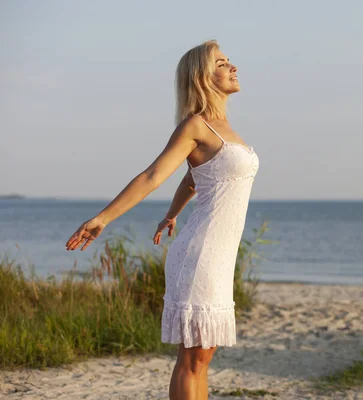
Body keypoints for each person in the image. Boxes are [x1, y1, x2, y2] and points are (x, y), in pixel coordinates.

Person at [65, 39, 260, 400]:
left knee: (202, 357)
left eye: (229, 61)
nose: (232, 67)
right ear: (202, 76)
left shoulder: (224, 127)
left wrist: (172, 213)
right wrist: (103, 218)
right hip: (201, 254)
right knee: (192, 358)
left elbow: (194, 178)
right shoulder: (196, 126)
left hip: (218, 255)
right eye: (221, 63)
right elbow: (153, 175)